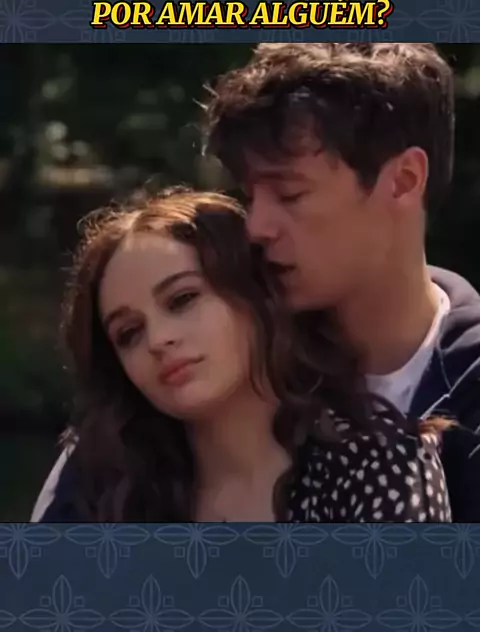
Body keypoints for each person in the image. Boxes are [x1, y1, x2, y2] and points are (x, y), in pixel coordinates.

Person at [31, 188, 450, 523]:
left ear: (255, 296)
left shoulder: (380, 466)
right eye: (129, 333)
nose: (158, 340)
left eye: (182, 299)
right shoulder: (105, 491)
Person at [201, 42, 480, 522]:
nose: (256, 226)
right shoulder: (226, 370)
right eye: (250, 196)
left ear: (404, 180)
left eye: (289, 193)